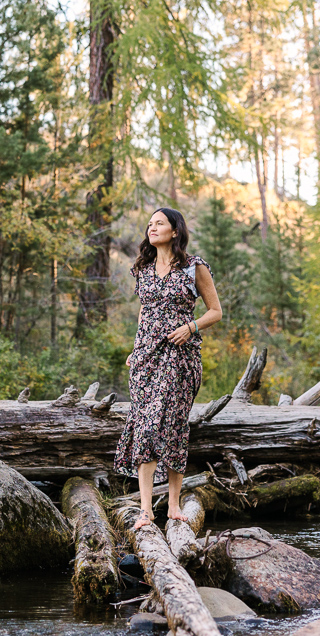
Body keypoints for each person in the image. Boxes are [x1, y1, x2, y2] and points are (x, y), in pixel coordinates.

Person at [114, 207, 222, 529]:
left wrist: (190, 327)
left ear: (175, 231)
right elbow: (144, 313)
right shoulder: (143, 268)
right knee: (144, 425)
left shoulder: (194, 267)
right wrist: (136, 348)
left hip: (180, 357)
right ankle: (146, 510)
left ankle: (174, 505)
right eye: (149, 224)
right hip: (146, 358)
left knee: (172, 426)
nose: (152, 227)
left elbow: (215, 311)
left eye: (159, 223)